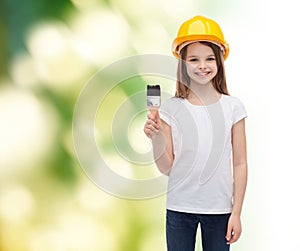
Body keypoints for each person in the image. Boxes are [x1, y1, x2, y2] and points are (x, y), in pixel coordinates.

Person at [144, 16, 248, 251]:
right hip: (180, 208)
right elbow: (167, 167)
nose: (203, 65)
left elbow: (240, 163)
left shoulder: (233, 107)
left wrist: (237, 212)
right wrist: (156, 137)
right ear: (183, 64)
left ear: (220, 61)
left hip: (220, 210)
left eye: (209, 58)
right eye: (194, 59)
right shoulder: (171, 108)